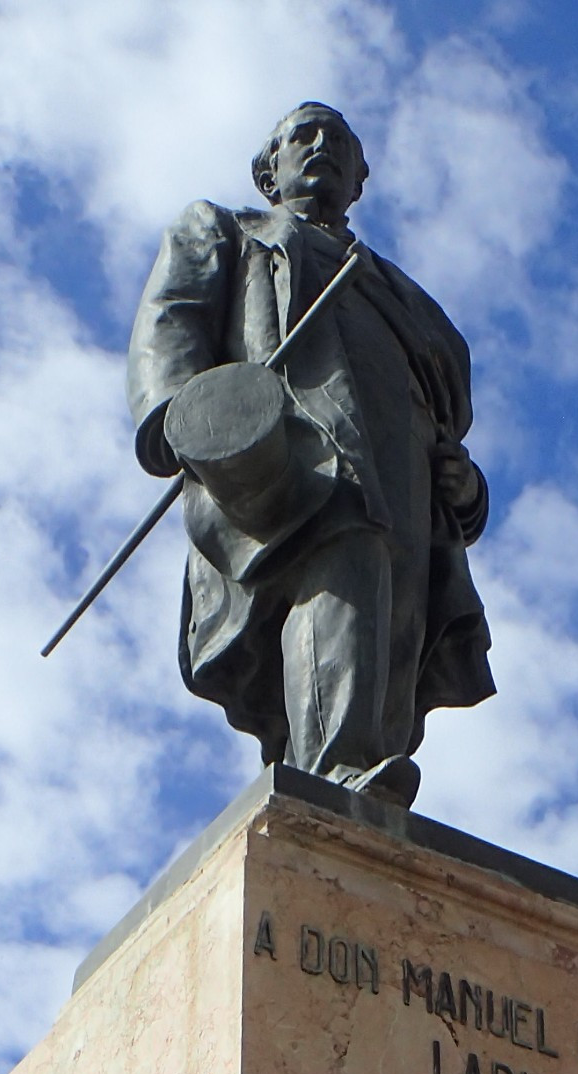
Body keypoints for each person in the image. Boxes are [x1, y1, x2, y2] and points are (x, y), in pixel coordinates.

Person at [126, 102, 494, 805]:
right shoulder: (227, 231)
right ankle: (337, 769)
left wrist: (464, 488)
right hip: (289, 451)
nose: (321, 145)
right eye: (303, 134)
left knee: (397, 624)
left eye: (339, 141)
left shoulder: (408, 300)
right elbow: (169, 324)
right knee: (342, 554)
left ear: (360, 178)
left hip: (405, 474)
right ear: (269, 172)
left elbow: (451, 423)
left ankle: (353, 772)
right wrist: (184, 419)